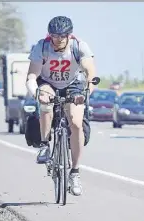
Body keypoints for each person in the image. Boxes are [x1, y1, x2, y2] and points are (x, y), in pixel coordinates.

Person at [25, 16, 96, 196]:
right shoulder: (41, 47)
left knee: (76, 122)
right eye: (55, 36)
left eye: (63, 36)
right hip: (48, 82)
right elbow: (32, 75)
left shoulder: (79, 46)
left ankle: (75, 173)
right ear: (50, 35)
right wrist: (36, 93)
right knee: (46, 105)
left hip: (73, 84)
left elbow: (90, 73)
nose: (59, 39)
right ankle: (44, 145)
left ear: (69, 35)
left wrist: (86, 92)